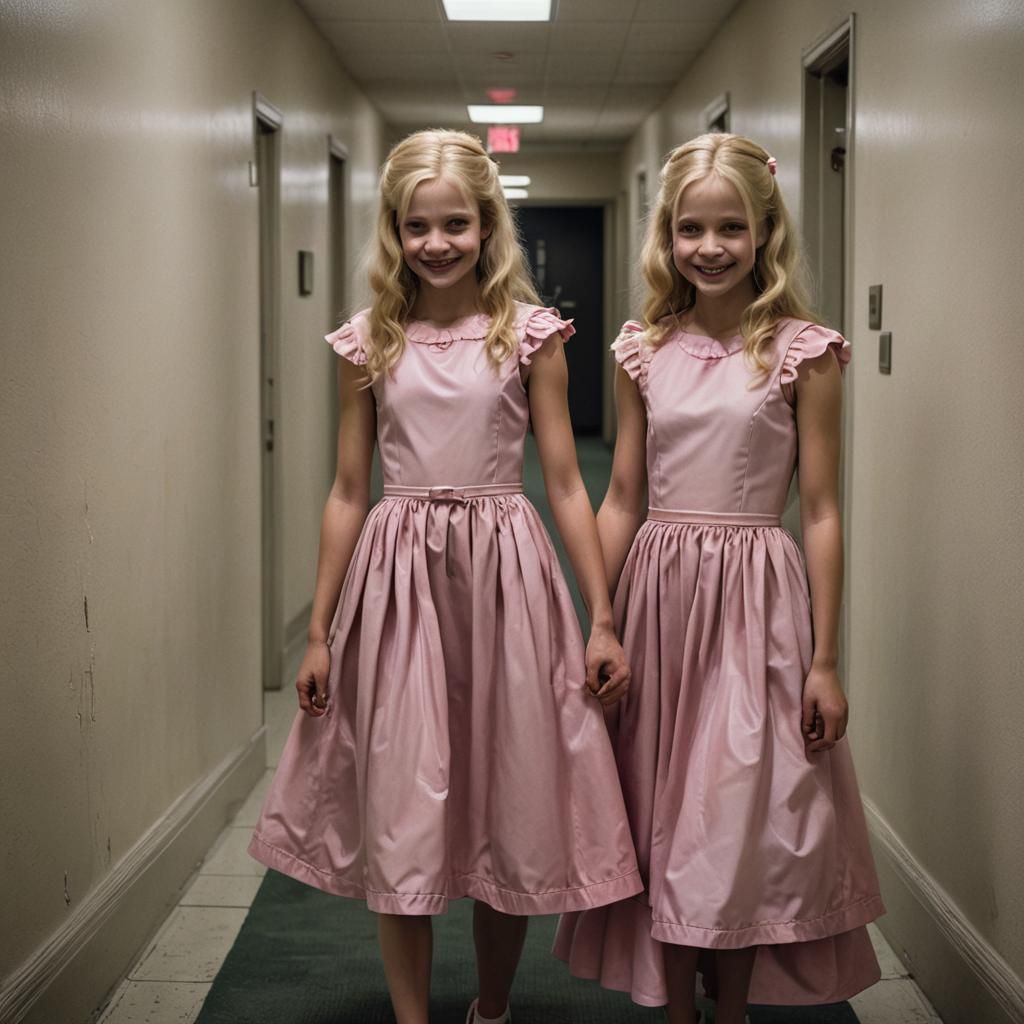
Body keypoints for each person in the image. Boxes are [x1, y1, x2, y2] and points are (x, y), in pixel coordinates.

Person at [248, 129, 641, 1024]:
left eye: (455, 223)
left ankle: (493, 1006)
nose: (436, 242)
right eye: (416, 225)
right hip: (397, 587)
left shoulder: (530, 335)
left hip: (507, 576)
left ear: (486, 224)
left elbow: (569, 482)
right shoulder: (365, 344)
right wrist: (318, 630)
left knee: (507, 794)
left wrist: (603, 615)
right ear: (394, 229)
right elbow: (350, 489)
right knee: (404, 801)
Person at [554, 132, 884, 1024]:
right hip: (659, 600)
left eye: (730, 227)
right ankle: (675, 1008)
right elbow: (621, 495)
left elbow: (818, 511)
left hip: (754, 607)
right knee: (662, 811)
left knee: (732, 815)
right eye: (690, 229)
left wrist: (823, 658)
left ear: (765, 231)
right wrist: (601, 619)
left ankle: (728, 1007)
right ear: (667, 236)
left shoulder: (802, 354)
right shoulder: (640, 350)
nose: (709, 247)